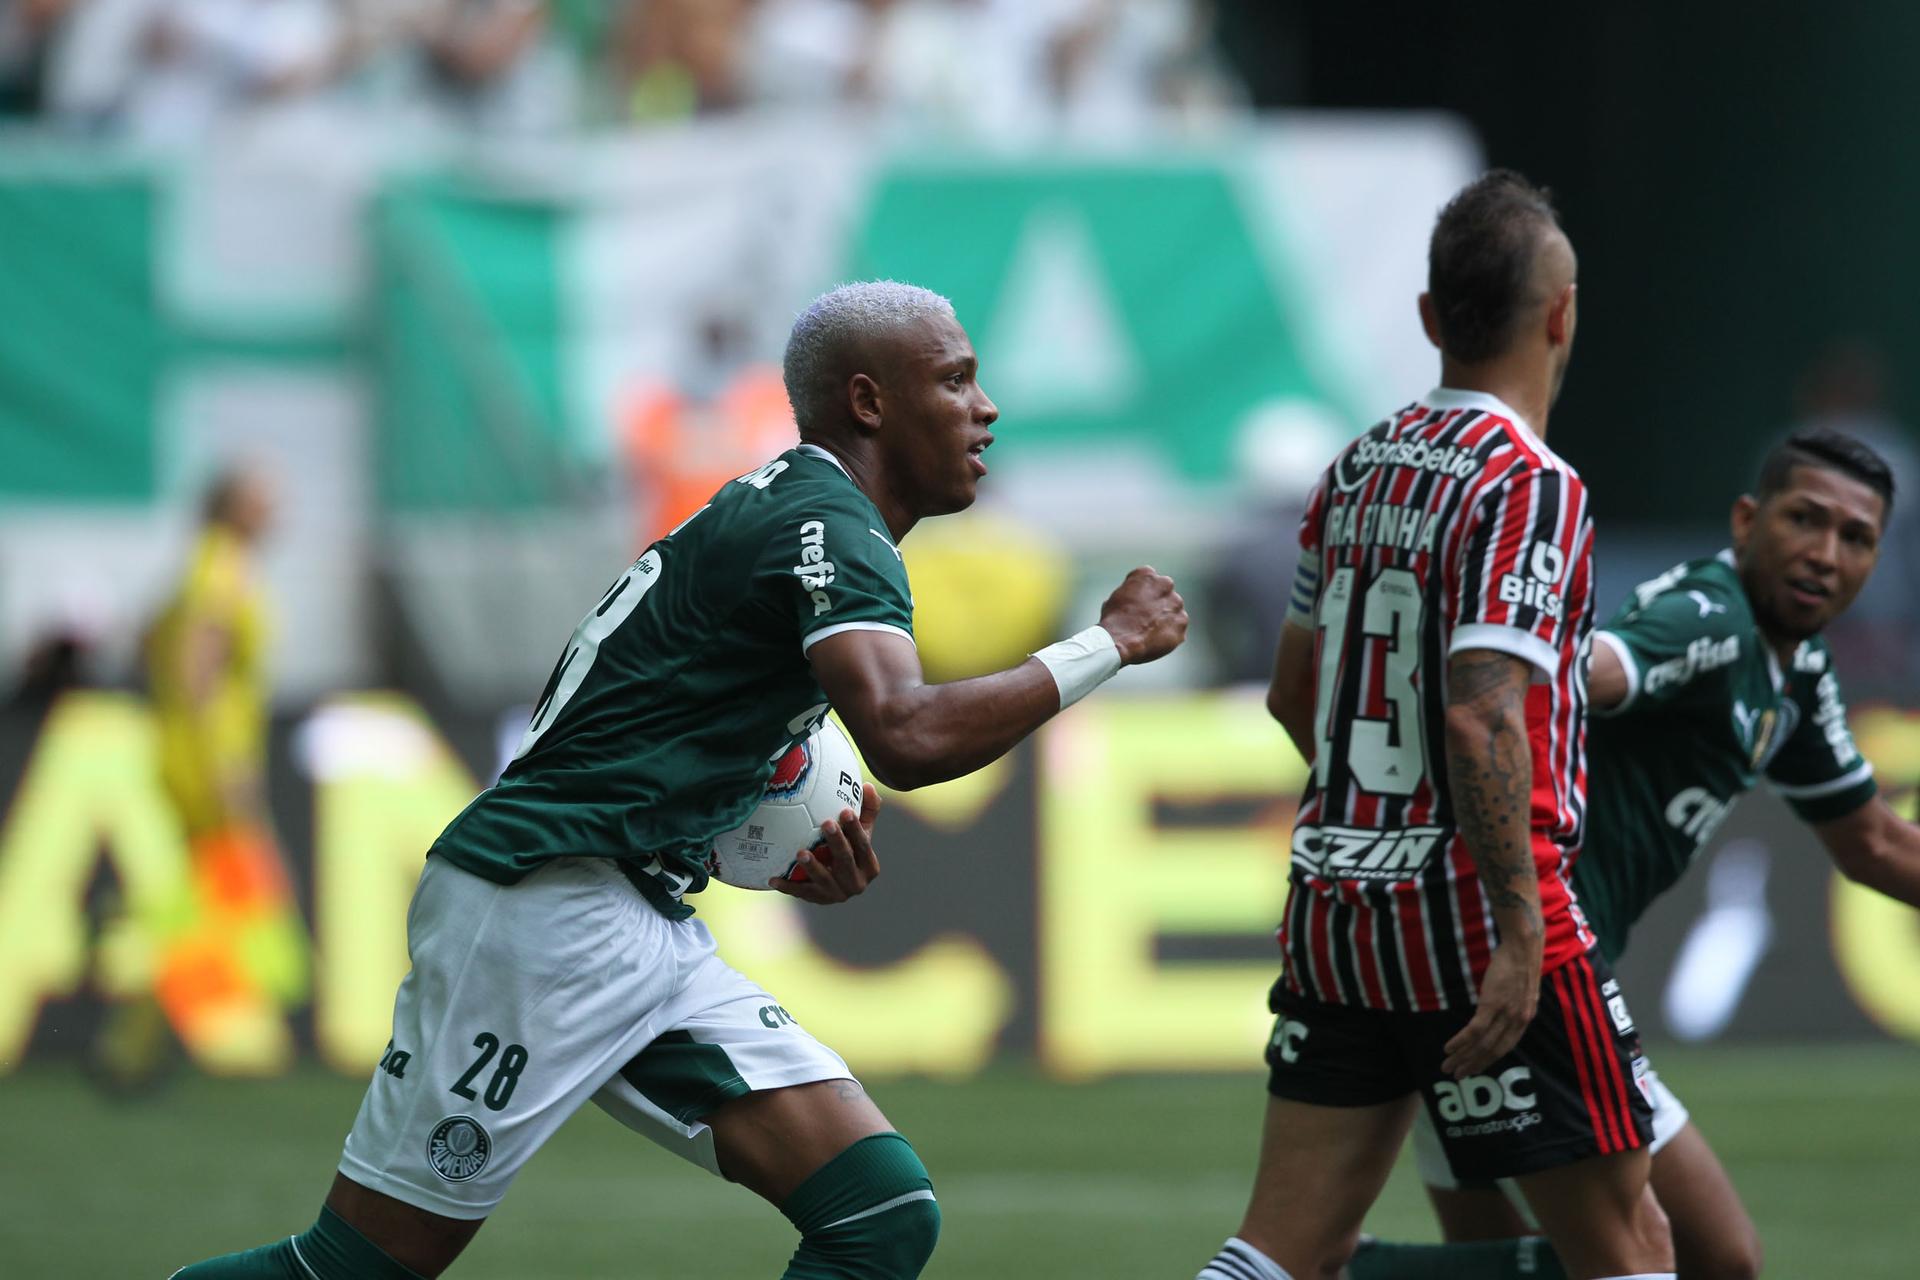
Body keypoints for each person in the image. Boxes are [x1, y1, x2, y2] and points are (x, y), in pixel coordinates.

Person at [169, 280, 1188, 1280]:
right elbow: (907, 737)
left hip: (633, 910)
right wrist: (1108, 643)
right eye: (957, 378)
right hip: (542, 908)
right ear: (871, 401)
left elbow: (648, 719)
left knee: (877, 1209)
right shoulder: (832, 526)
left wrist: (741, 838)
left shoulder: (791, 509)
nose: (987, 404)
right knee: (357, 1267)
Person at [1193, 171, 1674, 1280]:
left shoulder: (1352, 468)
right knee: (1630, 1243)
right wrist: (1513, 925)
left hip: (1336, 907)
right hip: (1482, 917)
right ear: (1563, 315)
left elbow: (1290, 697)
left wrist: (1376, 823)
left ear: (1428, 318)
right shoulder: (1530, 485)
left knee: (1284, 1248)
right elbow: (1482, 710)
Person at [1348, 427, 1920, 1280]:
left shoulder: (1795, 675)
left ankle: (1323, 1265)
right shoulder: (1711, 616)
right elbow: (1589, 669)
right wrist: (1494, 673)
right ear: (1745, 521)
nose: (1826, 555)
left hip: (1493, 957)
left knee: (1506, 1253)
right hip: (1523, 965)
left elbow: (1874, 841)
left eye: (1856, 539)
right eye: (1806, 520)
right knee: (1706, 1256)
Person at [97, 467, 309, 1086]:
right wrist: (224, 763)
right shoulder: (221, 570)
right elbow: (197, 669)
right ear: (235, 509)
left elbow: (147, 640)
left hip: (188, 757)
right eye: (265, 500)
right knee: (248, 898)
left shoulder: (200, 566)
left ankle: (138, 1040)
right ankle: (213, 1030)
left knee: (198, 904)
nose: (277, 512)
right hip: (209, 766)